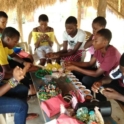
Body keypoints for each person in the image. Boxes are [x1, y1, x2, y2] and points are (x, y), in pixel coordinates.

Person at [0, 27, 38, 96]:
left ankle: (30, 84)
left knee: (27, 61)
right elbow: (7, 71)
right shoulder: (0, 49)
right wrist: (26, 69)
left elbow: (13, 55)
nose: (16, 44)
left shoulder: (5, 44)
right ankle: (30, 87)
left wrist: (24, 63)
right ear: (8, 39)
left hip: (5, 66)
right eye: (15, 42)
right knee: (22, 71)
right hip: (3, 72)